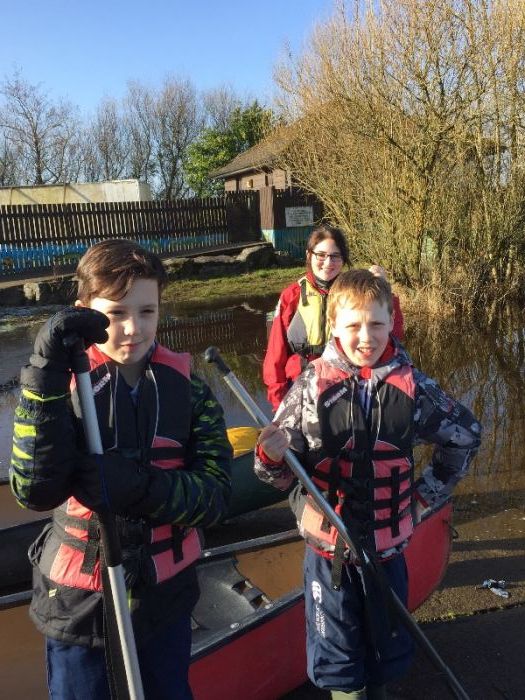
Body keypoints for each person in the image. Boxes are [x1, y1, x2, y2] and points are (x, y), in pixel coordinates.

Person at [10, 239, 232, 700]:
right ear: (84, 312)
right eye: (115, 314)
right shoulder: (60, 386)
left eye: (147, 311)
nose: (133, 328)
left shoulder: (189, 389)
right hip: (78, 603)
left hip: (164, 597)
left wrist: (139, 487)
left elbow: (215, 496)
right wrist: (43, 376)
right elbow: (33, 491)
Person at [254, 269, 481, 700]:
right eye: (353, 324)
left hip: (387, 550)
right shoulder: (309, 386)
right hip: (330, 556)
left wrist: (424, 497)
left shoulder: (415, 387)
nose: (365, 336)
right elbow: (274, 476)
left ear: (391, 321)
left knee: (385, 653)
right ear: (334, 325)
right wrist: (270, 456)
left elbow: (466, 435)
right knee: (338, 664)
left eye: (376, 323)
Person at [263, 225, 405, 411]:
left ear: (343, 259)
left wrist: (385, 289)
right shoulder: (292, 295)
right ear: (309, 255)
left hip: (344, 389)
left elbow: (393, 337)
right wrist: (279, 404)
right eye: (321, 255)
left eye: (335, 256)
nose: (328, 262)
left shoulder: (354, 293)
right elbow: (275, 355)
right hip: (300, 388)